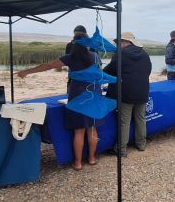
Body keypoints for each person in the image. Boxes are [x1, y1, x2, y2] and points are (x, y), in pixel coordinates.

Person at [18, 42, 101, 170]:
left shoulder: (70, 57)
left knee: (79, 131)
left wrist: (26, 72)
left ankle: (78, 163)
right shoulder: (95, 56)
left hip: (78, 96)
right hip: (94, 95)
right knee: (92, 129)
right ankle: (92, 159)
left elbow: (48, 65)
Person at [104, 32, 152, 156]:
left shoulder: (120, 54)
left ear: (126, 42)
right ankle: (141, 144)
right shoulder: (145, 54)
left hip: (125, 93)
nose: (118, 45)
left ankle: (121, 149)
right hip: (142, 91)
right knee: (141, 119)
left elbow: (109, 70)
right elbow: (148, 71)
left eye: (119, 42)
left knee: (124, 122)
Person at [64, 25, 88, 93]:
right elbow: (67, 60)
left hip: (86, 75)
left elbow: (96, 62)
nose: (77, 37)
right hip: (73, 73)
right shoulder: (69, 45)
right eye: (76, 35)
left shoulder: (90, 45)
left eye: (79, 35)